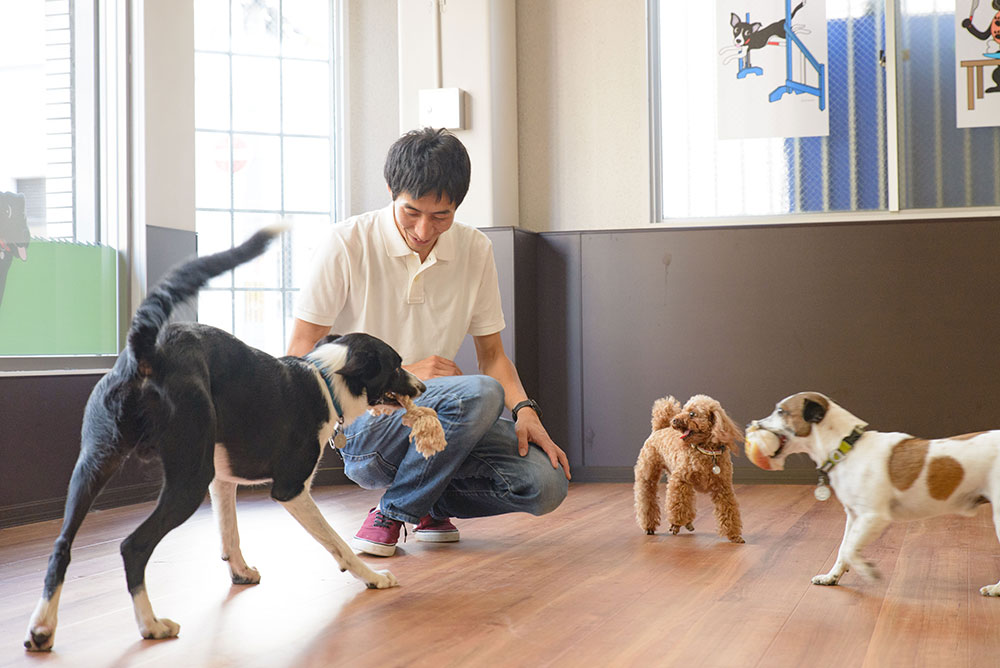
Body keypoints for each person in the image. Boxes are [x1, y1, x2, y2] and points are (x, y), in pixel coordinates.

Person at [286, 127, 570, 557]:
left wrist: (527, 412)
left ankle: (424, 500)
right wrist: (396, 379)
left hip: (441, 420)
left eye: (441, 216)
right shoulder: (345, 243)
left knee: (546, 483)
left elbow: (492, 356)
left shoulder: (475, 250)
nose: (423, 229)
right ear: (390, 191)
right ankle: (393, 511)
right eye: (411, 212)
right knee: (480, 393)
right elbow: (297, 356)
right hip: (366, 427)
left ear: (458, 205)